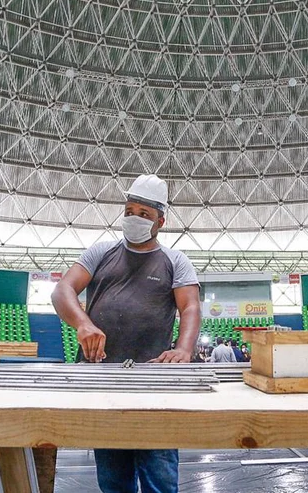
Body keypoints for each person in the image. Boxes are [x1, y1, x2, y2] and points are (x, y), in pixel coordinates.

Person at [51, 174, 201, 493]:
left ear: (160, 221)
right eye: (130, 210)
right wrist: (83, 323)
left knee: (159, 473)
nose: (134, 218)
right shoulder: (101, 253)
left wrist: (184, 348)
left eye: (144, 214)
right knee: (113, 476)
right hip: (104, 380)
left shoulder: (176, 261)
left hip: (154, 381)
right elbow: (63, 289)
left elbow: (189, 307)